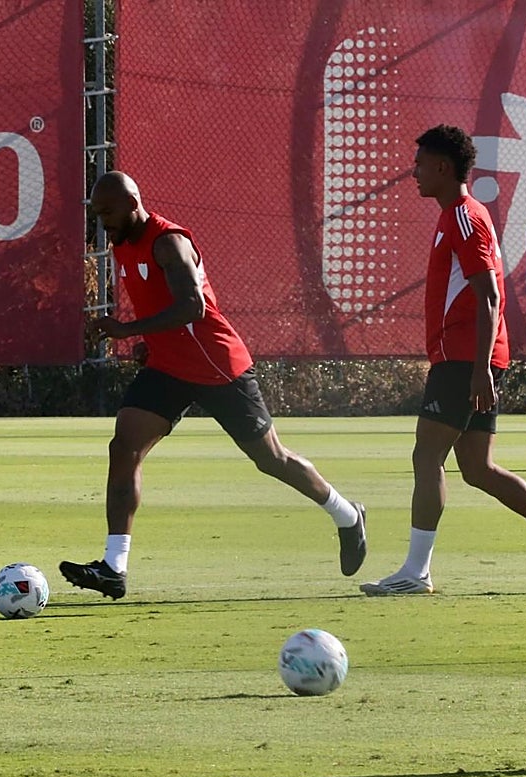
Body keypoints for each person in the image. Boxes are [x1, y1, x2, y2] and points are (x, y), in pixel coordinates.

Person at [59, 171, 367, 600]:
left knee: (271, 459)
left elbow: (193, 307)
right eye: (97, 214)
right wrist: (150, 343)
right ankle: (114, 567)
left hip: (215, 364)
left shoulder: (169, 243)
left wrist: (127, 330)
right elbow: (161, 304)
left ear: (132, 204)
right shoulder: (123, 242)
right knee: (124, 446)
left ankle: (347, 514)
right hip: (169, 367)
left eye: (107, 212)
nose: (102, 222)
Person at [359, 125, 526, 595]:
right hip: (470, 357)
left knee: (427, 455)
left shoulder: (465, 217)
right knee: (476, 468)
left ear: (443, 167)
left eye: (420, 164)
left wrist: (481, 368)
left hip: (465, 358)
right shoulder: (456, 216)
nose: (414, 173)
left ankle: (416, 571)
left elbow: (489, 295)